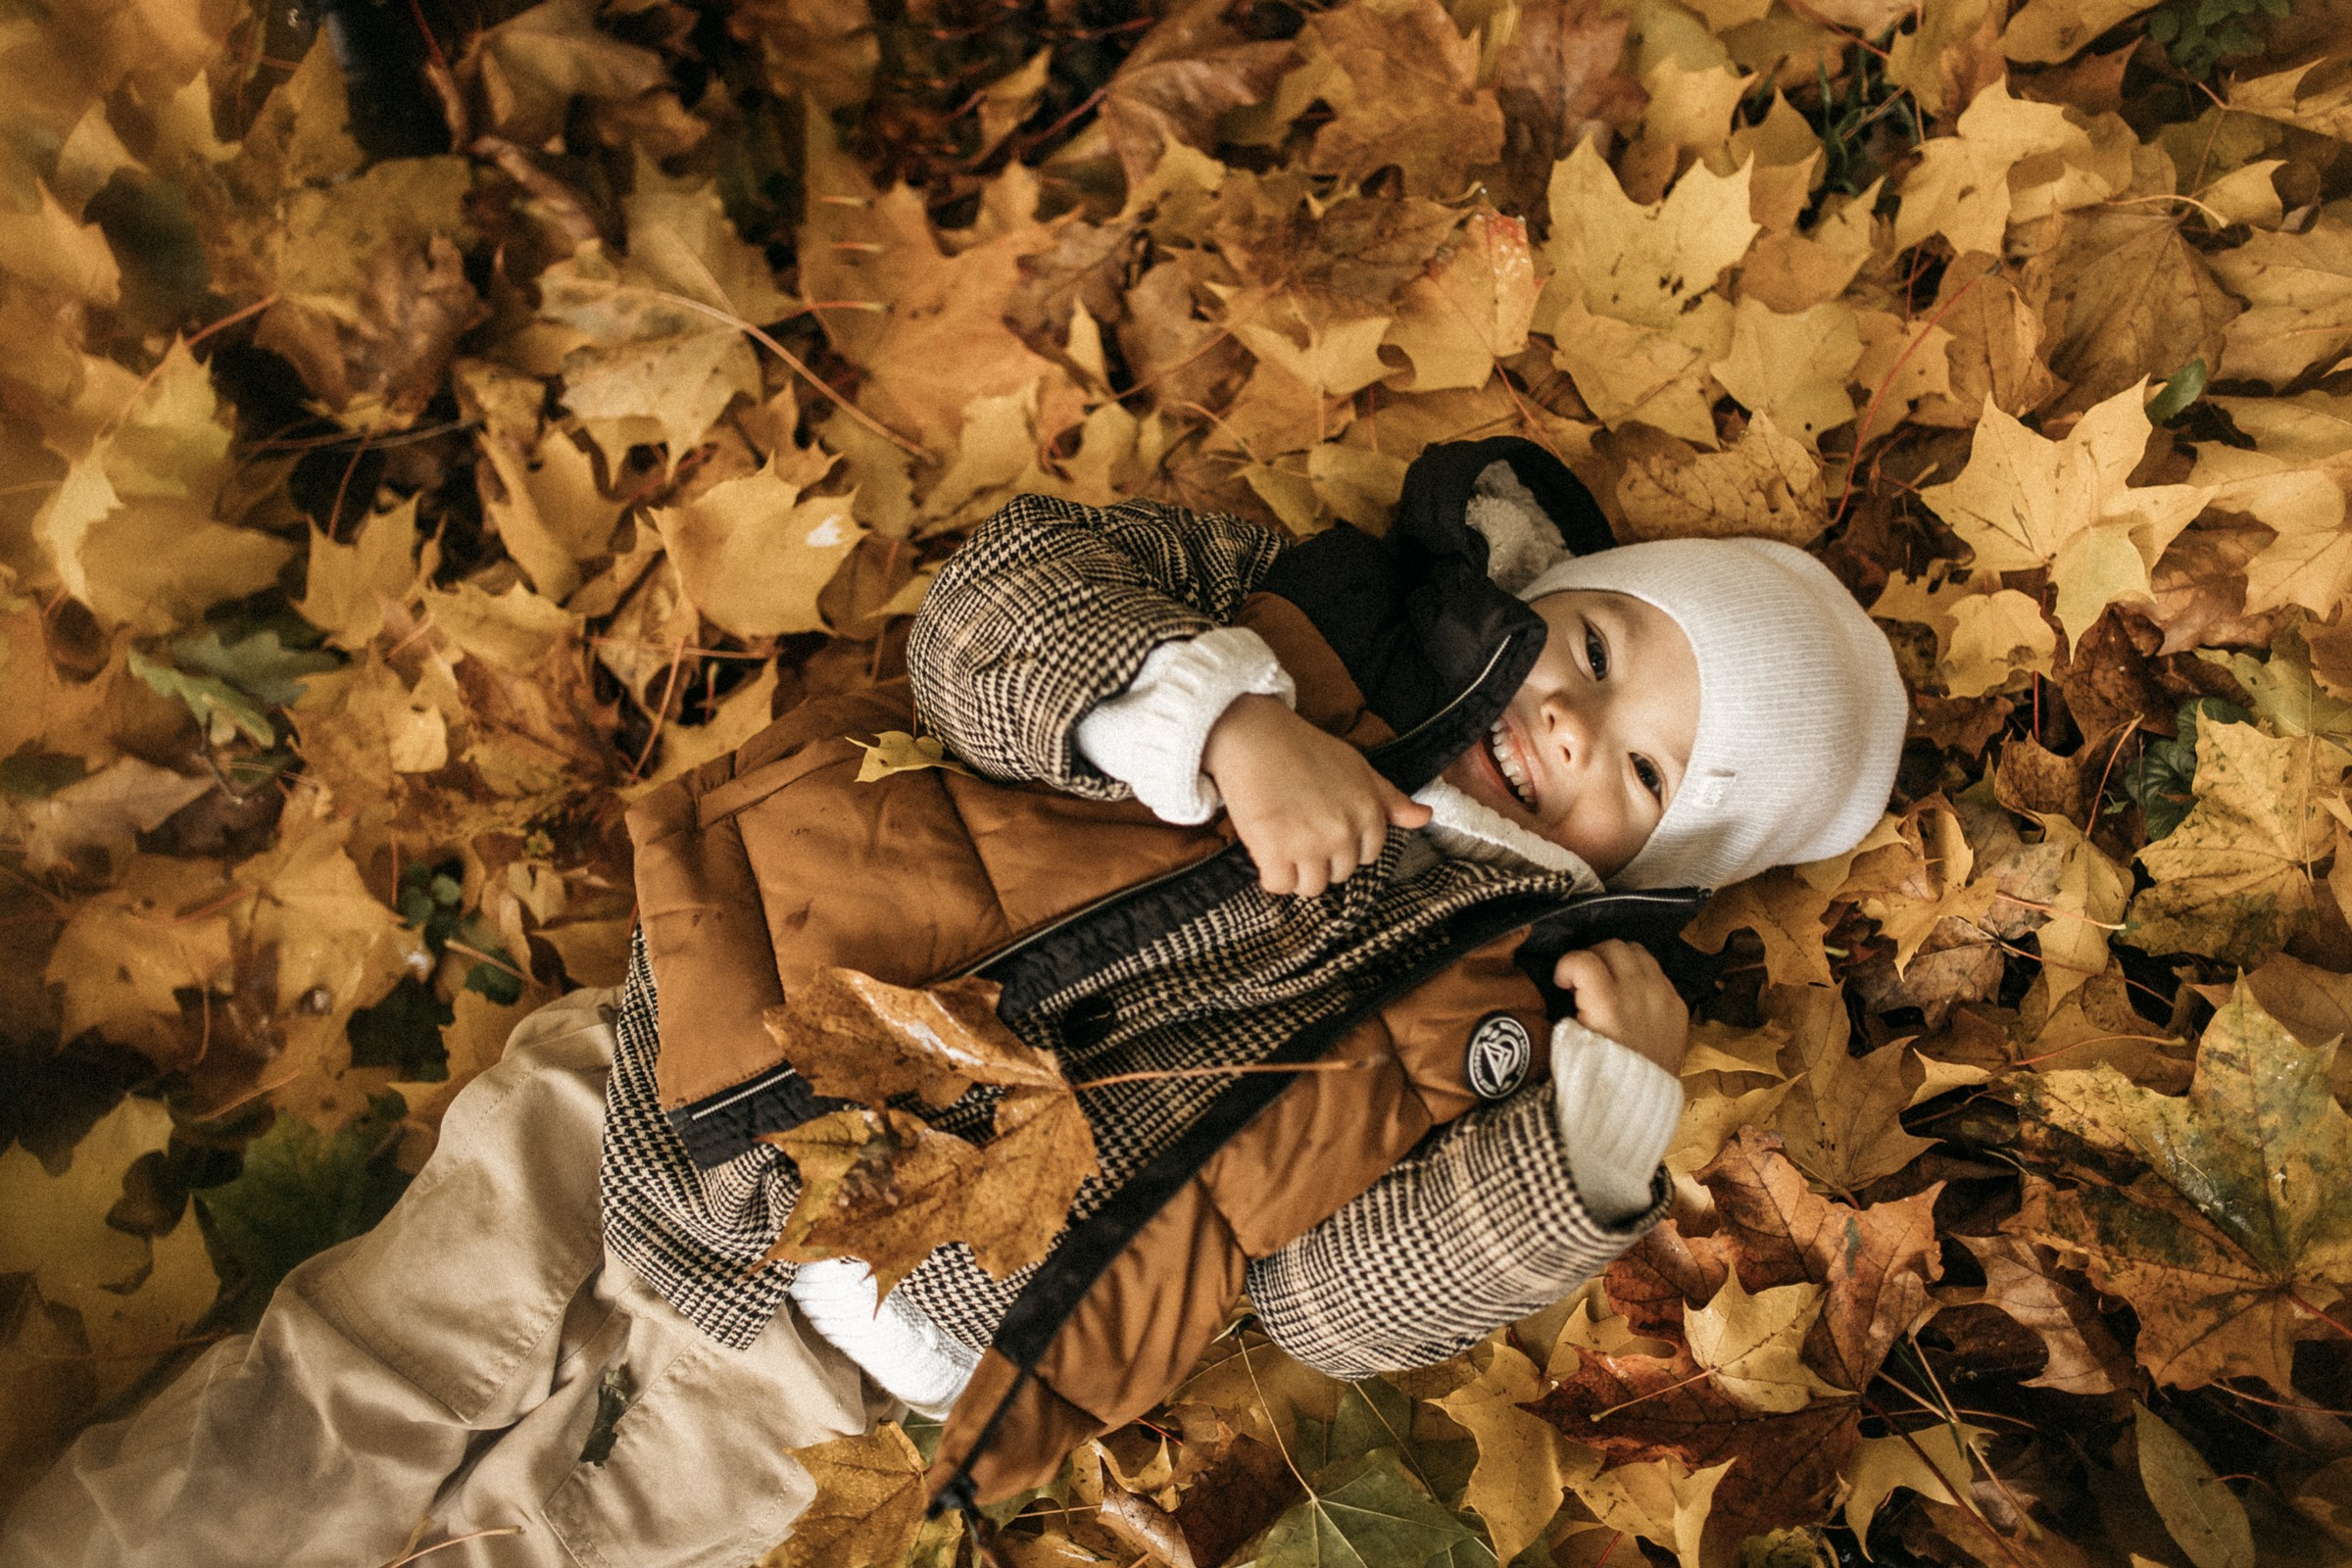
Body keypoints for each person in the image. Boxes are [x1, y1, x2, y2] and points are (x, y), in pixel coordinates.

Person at [3, 437, 1907, 1565]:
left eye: (1644, 772)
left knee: (565, 1540)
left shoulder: (1511, 1003)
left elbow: (1325, 1293)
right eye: (1593, 648)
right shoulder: (1311, 617)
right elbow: (994, 609)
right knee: (348, 1379)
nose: (1569, 724)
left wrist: (1578, 1154)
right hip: (689, 1071)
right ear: (1543, 589)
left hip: (875, 1348)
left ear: (1653, 870)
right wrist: (1217, 712)